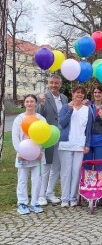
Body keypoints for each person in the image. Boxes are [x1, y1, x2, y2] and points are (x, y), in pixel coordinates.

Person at [58, 86, 93, 207]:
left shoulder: (87, 109)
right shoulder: (65, 107)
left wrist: (87, 144)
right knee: (66, 172)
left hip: (80, 144)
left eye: (82, 93)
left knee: (76, 172)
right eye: (77, 93)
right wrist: (70, 110)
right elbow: (62, 123)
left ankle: (73, 197)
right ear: (72, 94)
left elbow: (89, 129)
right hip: (66, 144)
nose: (79, 95)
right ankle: (64, 198)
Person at [37, 75, 68, 206]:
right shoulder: (43, 97)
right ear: (48, 84)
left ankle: (50, 193)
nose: (54, 85)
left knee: (57, 166)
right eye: (51, 83)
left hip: (61, 137)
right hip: (49, 137)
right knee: (46, 166)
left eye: (56, 83)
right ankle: (41, 195)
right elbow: (39, 115)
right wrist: (42, 104)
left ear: (60, 84)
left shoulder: (64, 98)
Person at [12, 95, 46, 214]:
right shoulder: (19, 119)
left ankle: (35, 203)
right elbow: (15, 137)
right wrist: (20, 152)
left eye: (32, 101)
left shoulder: (40, 119)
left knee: (37, 179)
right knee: (22, 179)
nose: (30, 103)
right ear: (24, 103)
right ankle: (22, 203)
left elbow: (44, 137)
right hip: (22, 155)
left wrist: (40, 152)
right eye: (27, 101)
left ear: (36, 104)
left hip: (37, 155)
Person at [84, 84, 102, 162]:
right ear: (93, 94)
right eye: (95, 92)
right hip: (88, 139)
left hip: (101, 139)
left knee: (99, 164)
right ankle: (88, 175)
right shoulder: (88, 105)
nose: (97, 94)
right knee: (87, 164)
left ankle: (100, 174)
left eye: (99, 92)